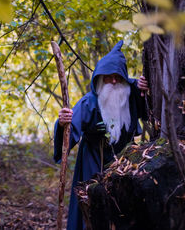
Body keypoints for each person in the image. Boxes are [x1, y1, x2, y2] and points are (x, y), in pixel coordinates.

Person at [53, 41, 149, 230]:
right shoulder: (89, 102)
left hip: (125, 163)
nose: (114, 81)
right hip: (92, 164)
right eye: (108, 77)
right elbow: (70, 127)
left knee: (124, 213)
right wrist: (63, 122)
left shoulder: (130, 94)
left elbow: (148, 108)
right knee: (92, 212)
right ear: (99, 78)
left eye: (117, 77)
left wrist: (145, 88)